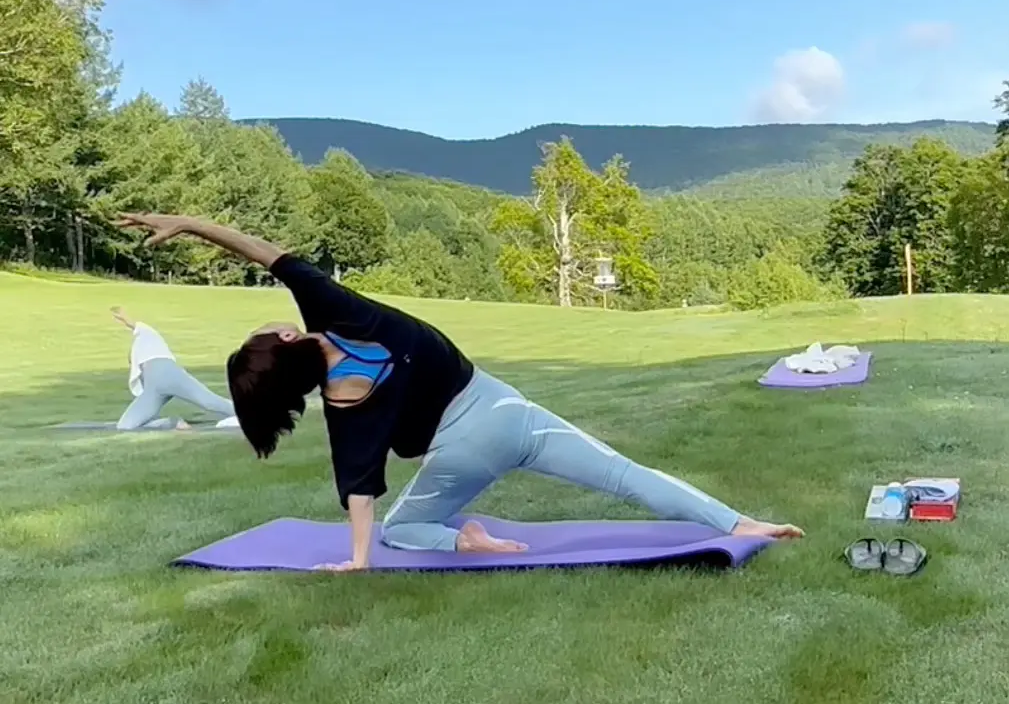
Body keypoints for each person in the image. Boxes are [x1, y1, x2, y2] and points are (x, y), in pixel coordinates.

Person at [116, 212, 804, 570]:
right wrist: (185, 222)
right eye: (266, 328)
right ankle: (737, 521)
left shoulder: (342, 406)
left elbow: (360, 493)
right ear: (290, 340)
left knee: (407, 529)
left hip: (458, 456)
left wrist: (360, 560)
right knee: (625, 476)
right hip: (504, 409)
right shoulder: (334, 306)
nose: (270, 319)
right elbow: (258, 248)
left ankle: (465, 538)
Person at [112, 306, 238, 430]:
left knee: (210, 402)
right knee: (125, 426)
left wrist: (127, 320)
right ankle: (172, 423)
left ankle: (250, 413)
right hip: (156, 387)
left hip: (169, 375)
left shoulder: (148, 338)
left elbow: (142, 329)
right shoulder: (140, 363)